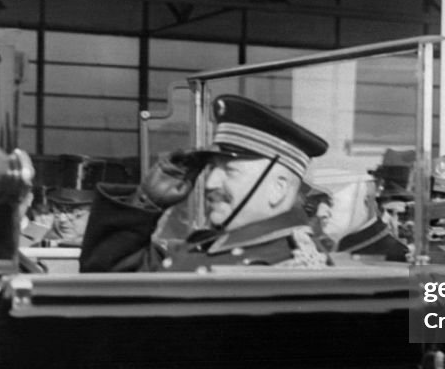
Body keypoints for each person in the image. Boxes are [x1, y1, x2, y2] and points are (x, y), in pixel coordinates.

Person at [80, 94, 330, 272]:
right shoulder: (211, 246)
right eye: (211, 168)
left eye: (229, 171)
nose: (210, 182)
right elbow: (109, 278)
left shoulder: (292, 265)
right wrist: (145, 202)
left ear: (279, 188)